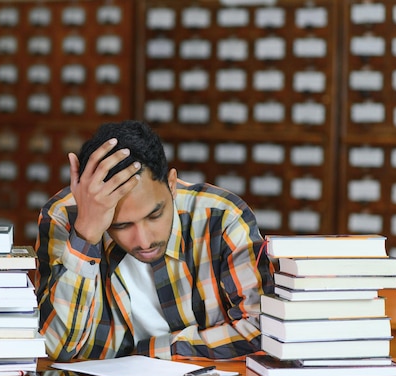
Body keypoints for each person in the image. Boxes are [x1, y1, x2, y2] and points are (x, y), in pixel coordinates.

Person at [35, 120, 274, 361]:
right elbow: (57, 347)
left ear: (171, 184)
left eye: (154, 215)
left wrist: (148, 353)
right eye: (121, 225)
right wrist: (86, 233)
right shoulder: (65, 218)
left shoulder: (222, 217)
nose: (144, 240)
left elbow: (264, 331)